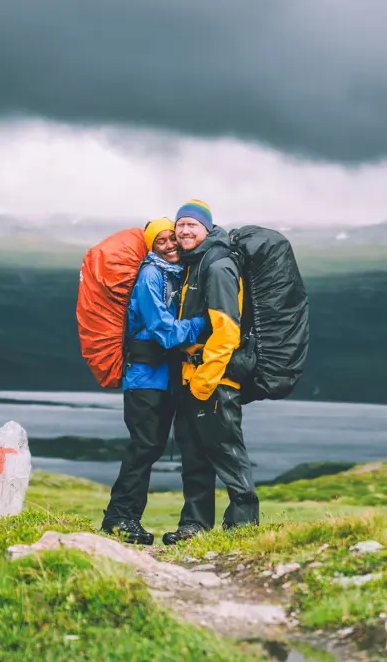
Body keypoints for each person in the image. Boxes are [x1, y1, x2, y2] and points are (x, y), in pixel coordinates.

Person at [101, 217, 206, 545]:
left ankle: (124, 518)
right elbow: (164, 332)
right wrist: (205, 323)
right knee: (144, 446)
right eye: (161, 242)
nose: (171, 245)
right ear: (151, 246)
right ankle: (120, 519)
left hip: (161, 379)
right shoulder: (150, 275)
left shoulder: (174, 273)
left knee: (149, 446)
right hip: (145, 378)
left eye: (172, 238)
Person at [163, 200, 259, 546]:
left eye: (192, 225)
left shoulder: (217, 266)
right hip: (193, 378)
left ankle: (243, 529)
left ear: (207, 228)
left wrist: (206, 379)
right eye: (181, 225)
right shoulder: (194, 264)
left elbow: (227, 330)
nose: (185, 231)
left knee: (226, 453)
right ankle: (194, 528)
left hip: (215, 379)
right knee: (194, 455)